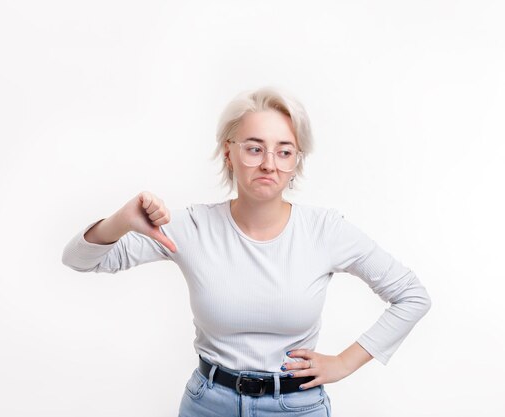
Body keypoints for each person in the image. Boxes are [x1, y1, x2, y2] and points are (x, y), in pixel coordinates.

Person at [61, 86, 431, 417]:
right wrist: (120, 221)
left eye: (284, 151)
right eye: (254, 148)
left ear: (296, 160)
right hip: (208, 404)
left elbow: (412, 295)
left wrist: (345, 363)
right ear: (229, 153)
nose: (269, 163)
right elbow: (78, 260)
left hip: (296, 407)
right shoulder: (192, 227)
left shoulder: (325, 231)